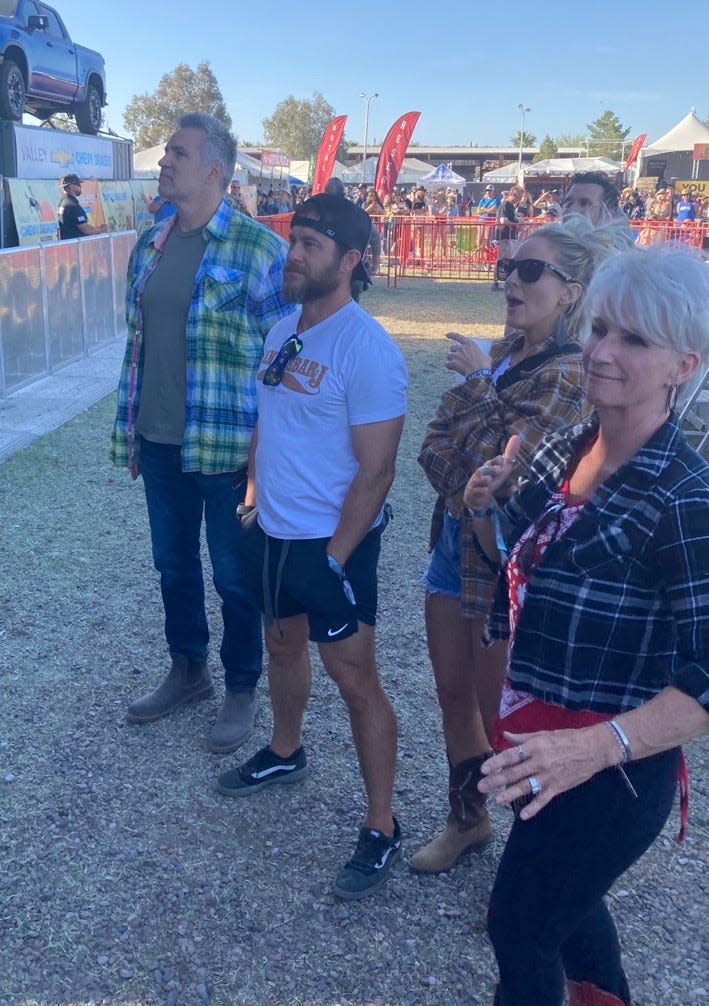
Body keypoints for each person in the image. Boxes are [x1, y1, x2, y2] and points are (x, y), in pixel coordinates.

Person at [462, 244, 708, 1006]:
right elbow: (527, 560)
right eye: (599, 328)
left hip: (611, 768)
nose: (601, 351)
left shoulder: (684, 496)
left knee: (520, 923)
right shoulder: (572, 442)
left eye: (633, 340)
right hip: (538, 739)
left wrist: (592, 748)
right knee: (567, 904)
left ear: (683, 365)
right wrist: (483, 503)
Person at [411, 214, 634, 875]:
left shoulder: (570, 373)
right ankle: (467, 818)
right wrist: (476, 462)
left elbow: (517, 480)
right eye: (508, 268)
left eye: (530, 270)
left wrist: (478, 383)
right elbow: (433, 452)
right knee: (452, 695)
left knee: (503, 720)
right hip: (454, 546)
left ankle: (528, 866)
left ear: (571, 291)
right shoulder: (505, 356)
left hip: (508, 569)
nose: (511, 280)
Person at [216, 194, 408, 902]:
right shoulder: (278, 333)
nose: (292, 254)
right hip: (270, 533)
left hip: (332, 547)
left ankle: (381, 824)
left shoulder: (369, 350)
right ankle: (285, 750)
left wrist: (331, 559)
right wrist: (251, 498)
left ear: (350, 260)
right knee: (280, 646)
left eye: (309, 245)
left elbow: (376, 470)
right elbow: (269, 425)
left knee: (355, 681)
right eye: (292, 239)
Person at [110, 113, 295, 753]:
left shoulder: (259, 250)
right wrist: (131, 429)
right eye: (166, 154)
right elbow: (138, 345)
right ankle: (188, 668)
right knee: (173, 566)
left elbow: (287, 359)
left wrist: (267, 454)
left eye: (177, 155)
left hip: (227, 447)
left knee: (234, 576)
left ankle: (242, 684)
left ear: (215, 171)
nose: (164, 163)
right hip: (160, 440)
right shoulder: (151, 242)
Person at [491, 185, 523, 290]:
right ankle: (495, 283)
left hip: (509, 237)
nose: (520, 199)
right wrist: (516, 225)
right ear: (513, 194)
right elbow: (503, 221)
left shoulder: (510, 205)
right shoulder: (506, 204)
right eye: (519, 197)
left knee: (506, 259)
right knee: (502, 259)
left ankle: (503, 282)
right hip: (505, 236)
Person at [57, 174, 107, 239]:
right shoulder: (72, 205)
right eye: (78, 184)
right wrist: (101, 229)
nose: (80, 186)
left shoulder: (63, 201)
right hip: (75, 245)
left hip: (69, 243)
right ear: (71, 186)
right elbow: (86, 229)